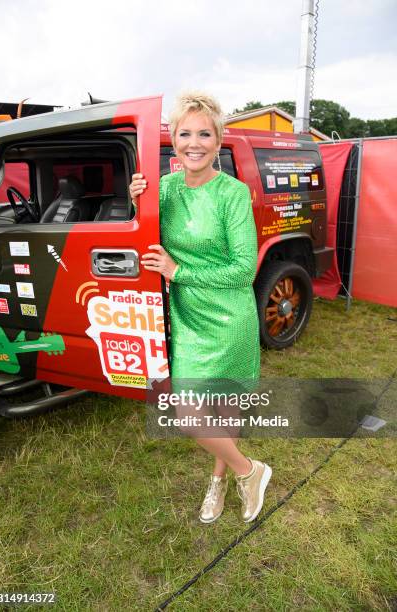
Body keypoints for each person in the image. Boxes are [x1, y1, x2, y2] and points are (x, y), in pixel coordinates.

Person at [129, 91, 272, 523]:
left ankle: (220, 480)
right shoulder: (163, 188)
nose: (195, 142)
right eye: (185, 133)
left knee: (222, 408)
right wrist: (135, 198)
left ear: (217, 139)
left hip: (229, 318)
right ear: (172, 138)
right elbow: (140, 235)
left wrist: (179, 272)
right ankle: (251, 470)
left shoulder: (232, 193)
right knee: (188, 410)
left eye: (204, 134)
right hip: (188, 318)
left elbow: (244, 269)